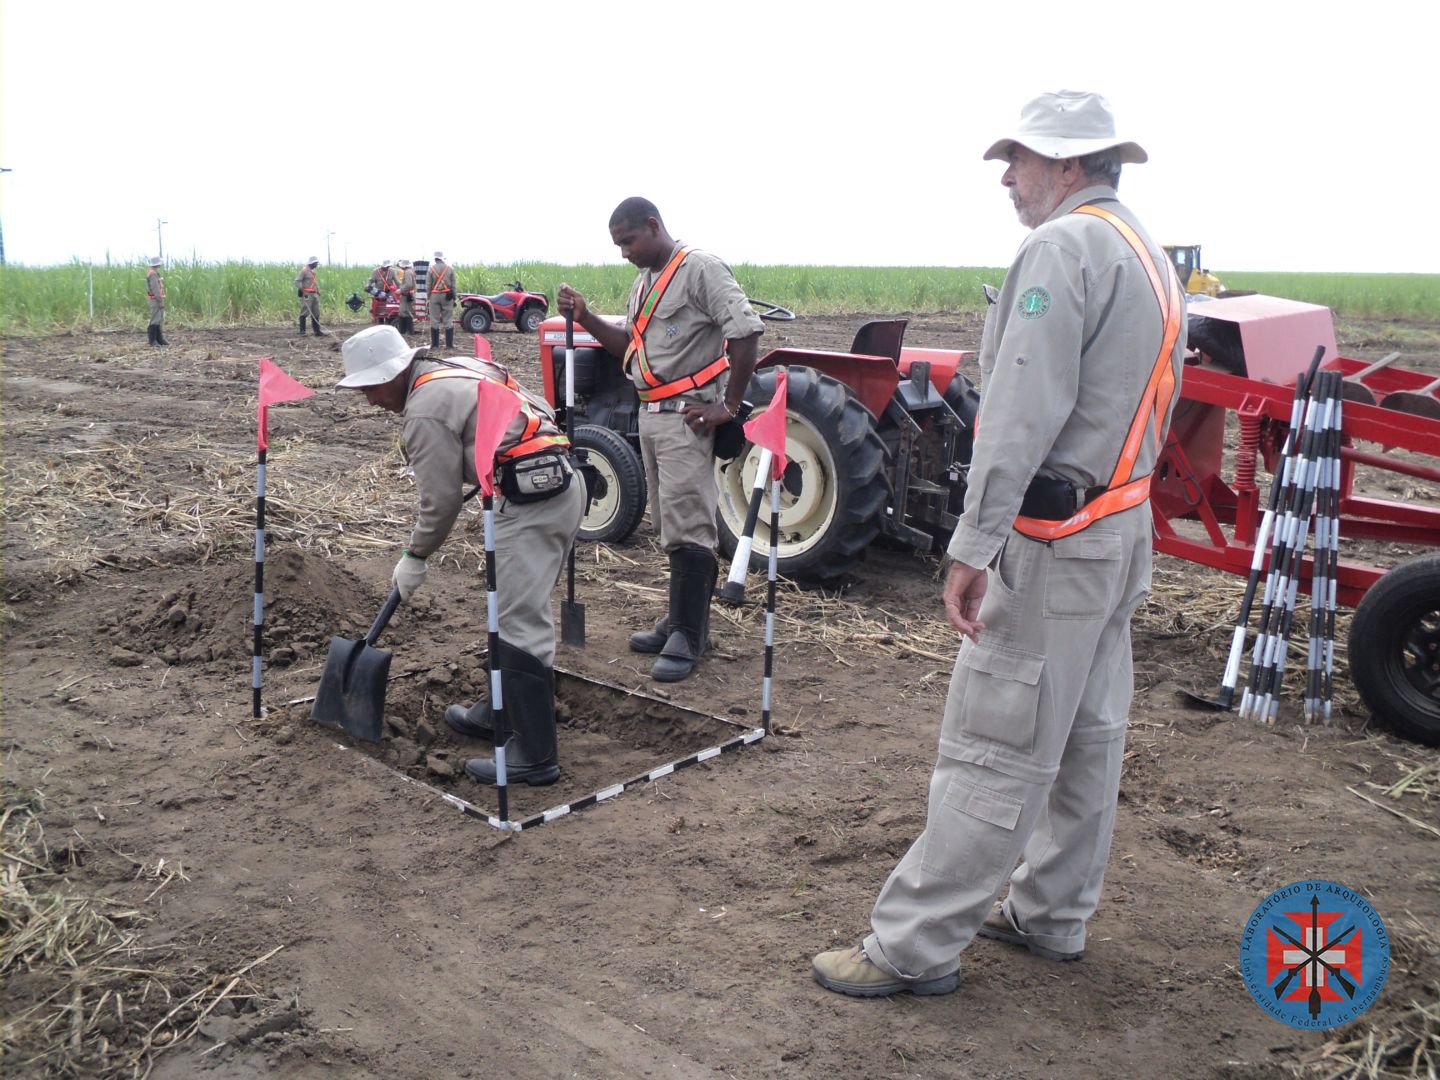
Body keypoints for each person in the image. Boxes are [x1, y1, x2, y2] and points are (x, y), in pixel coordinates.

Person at [811, 90, 1186, 997]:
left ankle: (912, 946)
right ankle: (1053, 915)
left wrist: (972, 546)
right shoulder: (1149, 252)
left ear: (1067, 163)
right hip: (1119, 530)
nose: (1008, 179)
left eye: (1016, 160)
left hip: (1056, 542)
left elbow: (1018, 414)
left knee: (995, 739)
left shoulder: (1062, 246)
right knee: (1089, 732)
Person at [337, 324, 585, 785]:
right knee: (510, 609)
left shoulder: (423, 411)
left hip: (533, 503)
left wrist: (415, 556)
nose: (369, 401)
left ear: (396, 373)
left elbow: (440, 501)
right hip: (561, 484)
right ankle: (500, 711)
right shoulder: (462, 366)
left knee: (518, 622)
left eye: (370, 388)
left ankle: (533, 756)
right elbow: (541, 412)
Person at [557, 197, 764, 682]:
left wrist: (728, 406)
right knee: (670, 523)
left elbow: (747, 332)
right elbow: (629, 346)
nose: (623, 252)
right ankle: (678, 620)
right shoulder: (644, 282)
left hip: (686, 418)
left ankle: (690, 637)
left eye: (628, 241)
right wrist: (586, 316)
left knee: (691, 522)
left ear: (653, 226)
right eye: (618, 245)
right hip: (651, 415)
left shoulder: (700, 270)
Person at [427, 251, 456, 351]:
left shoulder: (431, 269)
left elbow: (428, 286)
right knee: (448, 320)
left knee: (434, 320)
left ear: (435, 259)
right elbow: (454, 286)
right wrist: (454, 298)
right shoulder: (450, 269)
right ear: (442, 258)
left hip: (434, 296)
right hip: (447, 296)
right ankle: (449, 345)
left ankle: (435, 346)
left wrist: (428, 298)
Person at [295, 256, 326, 337]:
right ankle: (302, 331)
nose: (317, 265)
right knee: (305, 311)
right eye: (316, 263)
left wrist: (318, 291)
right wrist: (302, 290)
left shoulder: (313, 272)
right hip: (307, 294)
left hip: (314, 294)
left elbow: (314, 283)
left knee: (316, 312)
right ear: (312, 263)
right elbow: (297, 281)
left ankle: (317, 332)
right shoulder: (304, 271)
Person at [366, 258, 399, 324]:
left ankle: (388, 321)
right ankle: (380, 322)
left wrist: (401, 288)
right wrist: (368, 285)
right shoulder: (375, 272)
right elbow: (371, 280)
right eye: (386, 266)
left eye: (388, 266)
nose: (387, 267)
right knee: (379, 310)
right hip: (378, 292)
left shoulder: (392, 271)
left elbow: (396, 281)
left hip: (389, 292)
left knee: (389, 307)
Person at [145, 256, 168, 347]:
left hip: (155, 299)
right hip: (155, 300)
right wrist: (160, 301)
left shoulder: (154, 273)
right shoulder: (153, 274)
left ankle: (159, 339)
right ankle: (153, 340)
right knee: (154, 320)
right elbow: (156, 289)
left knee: (158, 319)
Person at [395, 259, 417, 336]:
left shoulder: (407, 272)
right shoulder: (411, 271)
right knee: (402, 312)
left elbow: (409, 285)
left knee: (406, 312)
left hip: (406, 295)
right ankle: (403, 331)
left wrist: (400, 290)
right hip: (408, 294)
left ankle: (409, 332)